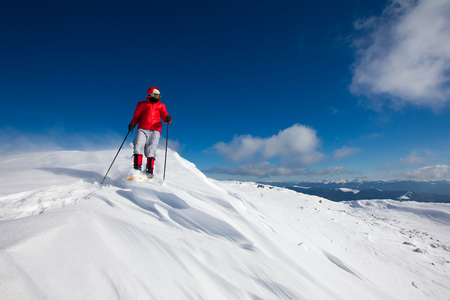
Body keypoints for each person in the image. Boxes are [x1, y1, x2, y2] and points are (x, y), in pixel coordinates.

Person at [128, 87, 172, 177]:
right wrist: (132, 123)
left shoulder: (161, 106)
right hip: (142, 128)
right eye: (156, 95)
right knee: (138, 145)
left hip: (155, 130)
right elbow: (136, 116)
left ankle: (149, 170)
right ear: (151, 95)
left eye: (159, 95)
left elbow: (164, 116)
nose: (158, 97)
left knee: (152, 149)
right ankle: (137, 168)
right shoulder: (142, 104)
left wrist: (168, 118)